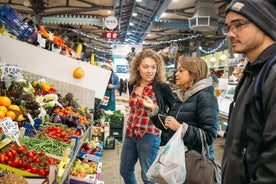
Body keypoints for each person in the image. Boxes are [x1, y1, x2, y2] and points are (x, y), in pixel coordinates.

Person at [221, 0, 276, 183]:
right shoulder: (252, 72)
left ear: (263, 23)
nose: (230, 34)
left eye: (239, 24)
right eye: (228, 27)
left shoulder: (271, 74)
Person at [146, 56, 219, 160]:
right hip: (178, 160)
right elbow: (169, 126)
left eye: (181, 71)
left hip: (195, 164)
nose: (176, 74)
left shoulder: (205, 97)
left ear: (193, 74)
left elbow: (209, 136)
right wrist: (154, 110)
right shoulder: (183, 96)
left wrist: (181, 128)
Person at [119, 49, 176, 184]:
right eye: (145, 67)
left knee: (148, 177)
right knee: (125, 171)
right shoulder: (132, 84)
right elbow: (134, 108)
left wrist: (155, 110)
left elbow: (175, 109)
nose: (150, 71)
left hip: (149, 136)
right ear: (138, 67)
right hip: (130, 133)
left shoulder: (162, 87)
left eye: (153, 67)